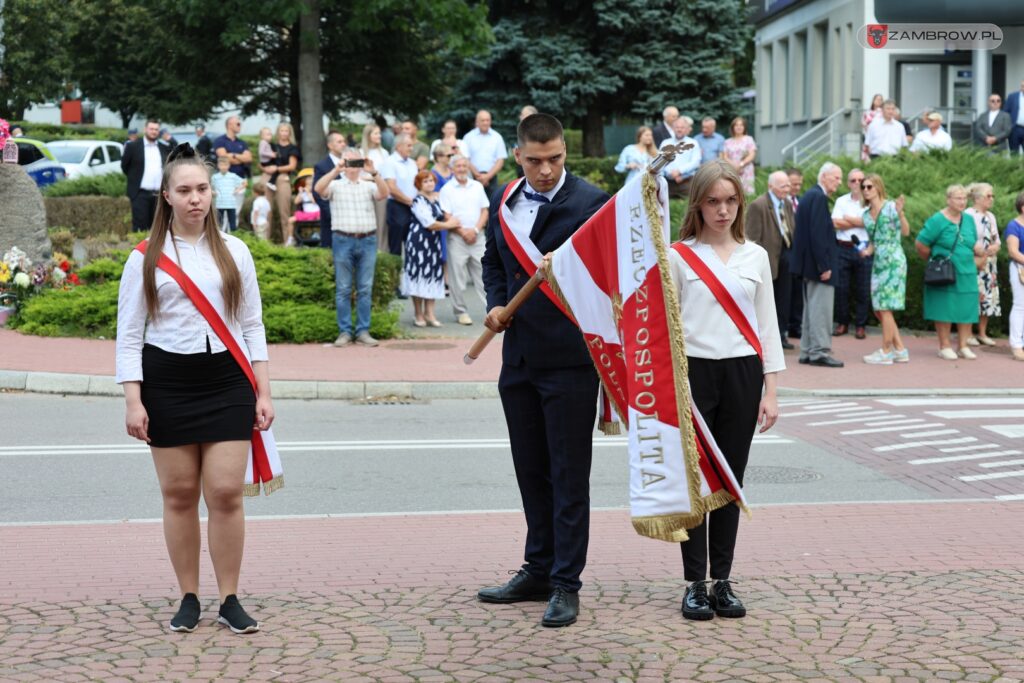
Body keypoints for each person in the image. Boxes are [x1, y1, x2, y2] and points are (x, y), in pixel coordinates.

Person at [115, 145, 272, 635]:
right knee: (180, 494)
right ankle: (188, 595)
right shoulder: (146, 258)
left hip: (228, 381)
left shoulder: (237, 251)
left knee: (225, 492)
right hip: (167, 382)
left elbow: (252, 326)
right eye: (184, 191)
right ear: (166, 196)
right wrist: (133, 399)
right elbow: (129, 335)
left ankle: (229, 597)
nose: (195, 199)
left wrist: (264, 392)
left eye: (201, 189)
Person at [478, 113, 609, 628]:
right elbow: (493, 261)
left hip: (571, 362)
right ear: (518, 157)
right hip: (519, 362)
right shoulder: (506, 199)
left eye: (555, 158)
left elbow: (608, 281)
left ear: (564, 152)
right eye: (535, 161)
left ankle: (565, 582)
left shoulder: (592, 203)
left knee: (568, 474)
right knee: (531, 470)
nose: (546, 170)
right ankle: (537, 568)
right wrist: (495, 303)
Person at [667, 161, 783, 621]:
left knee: (731, 481)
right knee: (696, 482)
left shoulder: (754, 256)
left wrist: (770, 391)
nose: (723, 210)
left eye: (731, 200)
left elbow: (768, 326)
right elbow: (667, 326)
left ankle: (723, 581)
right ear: (698, 203)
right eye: (713, 201)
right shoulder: (677, 256)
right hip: (693, 372)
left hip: (743, 372)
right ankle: (694, 583)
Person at [314, 149, 389, 348]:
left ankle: (363, 331)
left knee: (365, 288)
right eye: (350, 162)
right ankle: (345, 332)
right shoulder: (335, 184)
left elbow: (384, 193)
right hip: (342, 239)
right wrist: (336, 169)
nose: (354, 166)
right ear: (343, 163)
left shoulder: (368, 184)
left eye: (357, 162)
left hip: (367, 239)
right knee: (344, 288)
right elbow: (319, 189)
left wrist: (373, 172)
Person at [915, 185, 986, 360]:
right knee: (944, 307)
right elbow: (921, 244)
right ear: (948, 199)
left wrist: (982, 250)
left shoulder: (968, 219)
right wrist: (934, 260)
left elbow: (971, 241)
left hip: (967, 271)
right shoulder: (937, 220)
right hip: (945, 272)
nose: (962, 202)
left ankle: (963, 346)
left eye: (964, 198)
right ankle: (944, 345)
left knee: (967, 307)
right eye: (958, 198)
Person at [792, 162, 844, 367]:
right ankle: (819, 351)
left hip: (808, 265)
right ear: (824, 177)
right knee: (820, 308)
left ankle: (807, 350)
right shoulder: (819, 197)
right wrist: (825, 265)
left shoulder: (809, 196)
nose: (839, 182)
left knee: (811, 308)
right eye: (836, 178)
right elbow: (818, 235)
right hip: (818, 265)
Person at [859, 174, 910, 365]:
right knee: (880, 309)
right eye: (863, 187)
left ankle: (886, 351)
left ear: (878, 187)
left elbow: (905, 232)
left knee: (885, 307)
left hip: (894, 261)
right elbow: (874, 240)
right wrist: (867, 251)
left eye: (869, 186)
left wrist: (901, 213)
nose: (866, 190)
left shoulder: (890, 208)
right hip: (879, 261)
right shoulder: (865, 215)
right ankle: (900, 350)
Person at [745, 170, 796, 350]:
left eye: (788, 185)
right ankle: (765, 337)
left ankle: (781, 335)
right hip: (768, 259)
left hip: (786, 254)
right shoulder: (758, 205)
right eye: (783, 186)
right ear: (771, 186)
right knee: (767, 300)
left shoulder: (787, 204)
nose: (787, 189)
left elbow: (790, 227)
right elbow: (751, 238)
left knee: (784, 298)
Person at [402, 171, 459, 326]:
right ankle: (418, 314)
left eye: (432, 181)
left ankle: (430, 313)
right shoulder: (417, 200)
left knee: (433, 274)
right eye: (426, 181)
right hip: (418, 242)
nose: (430, 183)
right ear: (419, 184)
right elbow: (428, 223)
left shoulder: (438, 198)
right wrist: (449, 225)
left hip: (434, 241)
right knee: (419, 275)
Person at [439, 154, 490, 325]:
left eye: (464, 166)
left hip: (478, 237)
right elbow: (447, 215)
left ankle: (491, 311)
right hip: (457, 238)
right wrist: (463, 233)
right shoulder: (447, 189)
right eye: (458, 166)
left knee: (485, 275)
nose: (461, 169)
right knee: (457, 278)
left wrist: (475, 230)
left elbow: (485, 211)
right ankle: (460, 311)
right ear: (452, 169)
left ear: (468, 168)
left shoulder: (477, 186)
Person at [830, 168, 870, 339]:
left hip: (864, 248)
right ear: (848, 183)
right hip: (843, 247)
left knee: (863, 289)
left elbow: (871, 223)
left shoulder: (870, 201)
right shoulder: (841, 201)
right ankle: (842, 323)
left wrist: (849, 220)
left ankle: (861, 325)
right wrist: (860, 222)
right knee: (841, 289)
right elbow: (835, 223)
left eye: (860, 180)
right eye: (853, 180)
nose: (857, 183)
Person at [964, 183, 1001, 347]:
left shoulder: (991, 216)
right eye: (988, 196)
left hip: (989, 264)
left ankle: (982, 333)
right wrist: (977, 249)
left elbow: (997, 239)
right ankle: (967, 333)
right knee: (973, 296)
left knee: (987, 298)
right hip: (974, 261)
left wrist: (995, 247)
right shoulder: (968, 214)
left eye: (992, 196)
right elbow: (965, 237)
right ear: (977, 198)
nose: (991, 199)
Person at [121, 120, 171, 233]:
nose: (154, 132)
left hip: (159, 195)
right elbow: (125, 166)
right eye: (151, 129)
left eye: (156, 129)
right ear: (145, 129)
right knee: (140, 228)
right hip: (140, 194)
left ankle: (156, 251)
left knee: (159, 228)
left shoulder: (164, 148)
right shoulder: (133, 146)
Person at [261, 122, 300, 246]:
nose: (284, 133)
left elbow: (292, 166)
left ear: (290, 133)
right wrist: (264, 169)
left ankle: (287, 242)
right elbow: (262, 159)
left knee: (285, 211)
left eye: (286, 131)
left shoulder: (293, 148)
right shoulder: (271, 146)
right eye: (281, 131)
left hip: (283, 177)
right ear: (278, 132)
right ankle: (264, 243)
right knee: (266, 210)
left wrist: (276, 169)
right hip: (268, 177)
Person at [381, 134, 420, 257]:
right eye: (409, 145)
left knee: (412, 245)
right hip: (397, 206)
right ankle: (395, 274)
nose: (411, 148)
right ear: (399, 146)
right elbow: (391, 188)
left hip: (413, 206)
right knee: (396, 246)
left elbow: (417, 185)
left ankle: (410, 275)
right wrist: (409, 201)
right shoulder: (390, 162)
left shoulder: (413, 163)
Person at [313, 131, 347, 250]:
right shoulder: (322, 166)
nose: (343, 144)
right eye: (339, 142)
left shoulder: (350, 163)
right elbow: (317, 193)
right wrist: (333, 213)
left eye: (344, 141)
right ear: (330, 145)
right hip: (331, 219)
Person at [360, 123, 390, 252]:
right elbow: (359, 175)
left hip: (380, 190)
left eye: (379, 133)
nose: (379, 136)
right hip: (364, 191)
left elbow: (387, 174)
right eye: (376, 133)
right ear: (368, 136)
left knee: (381, 222)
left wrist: (373, 177)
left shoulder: (384, 153)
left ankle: (382, 250)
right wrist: (373, 177)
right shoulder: (361, 153)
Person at [213, 116, 253, 215]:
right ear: (229, 125)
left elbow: (249, 158)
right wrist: (240, 157)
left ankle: (233, 231)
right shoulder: (220, 141)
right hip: (225, 182)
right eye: (238, 124)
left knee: (237, 212)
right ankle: (223, 231)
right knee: (224, 212)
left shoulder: (242, 143)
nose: (240, 126)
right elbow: (224, 159)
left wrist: (233, 155)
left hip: (240, 180)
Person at [463, 110, 508, 197]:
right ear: (477, 122)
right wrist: (478, 175)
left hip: (492, 178)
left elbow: (500, 160)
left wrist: (487, 176)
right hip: (472, 177)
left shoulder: (497, 137)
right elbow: (465, 158)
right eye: (483, 120)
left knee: (493, 206)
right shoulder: (468, 137)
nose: (485, 123)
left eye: (488, 120)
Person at [659, 116, 700, 199]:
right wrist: (671, 172)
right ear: (673, 128)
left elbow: (695, 162)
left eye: (682, 127)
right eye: (677, 127)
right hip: (668, 183)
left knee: (688, 208)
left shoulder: (693, 143)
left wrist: (679, 171)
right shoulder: (665, 143)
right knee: (667, 209)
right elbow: (660, 160)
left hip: (687, 183)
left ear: (687, 129)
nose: (679, 129)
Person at [1004, 193, 1024, 361]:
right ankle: (1016, 345)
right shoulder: (1014, 226)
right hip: (1020, 269)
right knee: (1020, 306)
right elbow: (1013, 251)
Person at [785, 167, 805, 339]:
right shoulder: (780, 202)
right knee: (785, 291)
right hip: (785, 252)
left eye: (799, 184)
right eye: (793, 184)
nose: (796, 187)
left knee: (798, 291)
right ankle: (784, 326)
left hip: (799, 253)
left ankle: (795, 325)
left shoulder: (800, 201)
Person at [721, 117, 756, 195]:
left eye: (741, 125)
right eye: (736, 125)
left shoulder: (749, 139)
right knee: (733, 193)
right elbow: (725, 156)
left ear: (744, 127)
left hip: (746, 170)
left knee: (747, 194)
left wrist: (741, 164)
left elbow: (752, 154)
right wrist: (734, 165)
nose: (739, 127)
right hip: (732, 170)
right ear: (733, 128)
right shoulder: (727, 142)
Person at [211, 156, 245, 232]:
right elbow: (208, 186)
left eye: (225, 165)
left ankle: (234, 239)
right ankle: (220, 239)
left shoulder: (233, 176)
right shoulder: (215, 177)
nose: (223, 167)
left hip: (231, 203)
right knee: (219, 224)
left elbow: (244, 183)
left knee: (233, 224)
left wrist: (237, 190)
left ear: (229, 165)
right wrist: (212, 192)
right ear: (218, 165)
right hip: (220, 203)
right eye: (221, 165)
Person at [288, 169, 320, 240]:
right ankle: (290, 239)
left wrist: (309, 192)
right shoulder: (303, 192)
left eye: (311, 179)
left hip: (316, 213)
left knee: (322, 219)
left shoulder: (317, 190)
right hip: (306, 214)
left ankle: (319, 236)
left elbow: (315, 201)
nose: (310, 181)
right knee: (290, 220)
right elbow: (296, 202)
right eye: (308, 179)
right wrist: (300, 193)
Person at [1003, 79, 1024, 155]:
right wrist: (1008, 127)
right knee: (1014, 153)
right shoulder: (1012, 97)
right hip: (1015, 129)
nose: (1023, 88)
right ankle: (1014, 167)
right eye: (1022, 86)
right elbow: (1005, 112)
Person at [256, 127, 278, 192]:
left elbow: (267, 151)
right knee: (276, 169)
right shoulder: (263, 142)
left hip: (267, 161)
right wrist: (272, 154)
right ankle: (271, 182)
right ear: (262, 136)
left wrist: (272, 153)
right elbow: (261, 152)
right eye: (268, 134)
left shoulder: (266, 143)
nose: (270, 136)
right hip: (266, 162)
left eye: (270, 134)